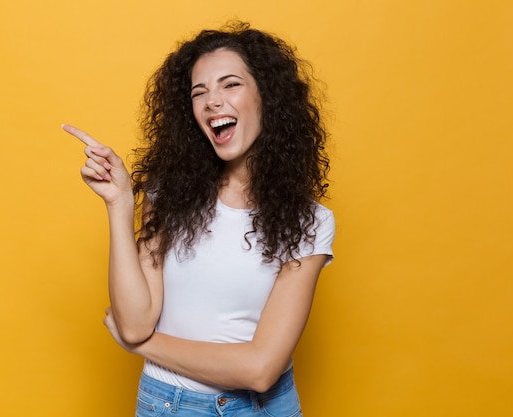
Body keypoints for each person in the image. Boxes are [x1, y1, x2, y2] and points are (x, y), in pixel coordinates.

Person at [64, 21, 335, 417]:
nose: (212, 101)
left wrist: (142, 346)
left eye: (230, 84)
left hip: (265, 406)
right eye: (199, 92)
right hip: (170, 405)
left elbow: (260, 370)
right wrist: (120, 203)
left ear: (267, 97)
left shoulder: (310, 220)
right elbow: (136, 321)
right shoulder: (169, 194)